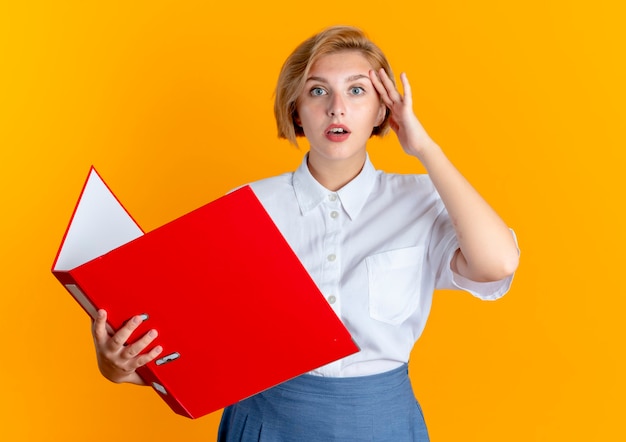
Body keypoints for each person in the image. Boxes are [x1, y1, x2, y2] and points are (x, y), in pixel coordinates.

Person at [91, 25, 519, 441]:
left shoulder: (420, 199)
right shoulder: (246, 206)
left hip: (384, 423)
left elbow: (497, 263)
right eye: (318, 91)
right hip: (264, 423)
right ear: (295, 108)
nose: (337, 107)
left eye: (357, 91)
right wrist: (117, 366)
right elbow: (195, 349)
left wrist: (426, 149)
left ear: (382, 111)